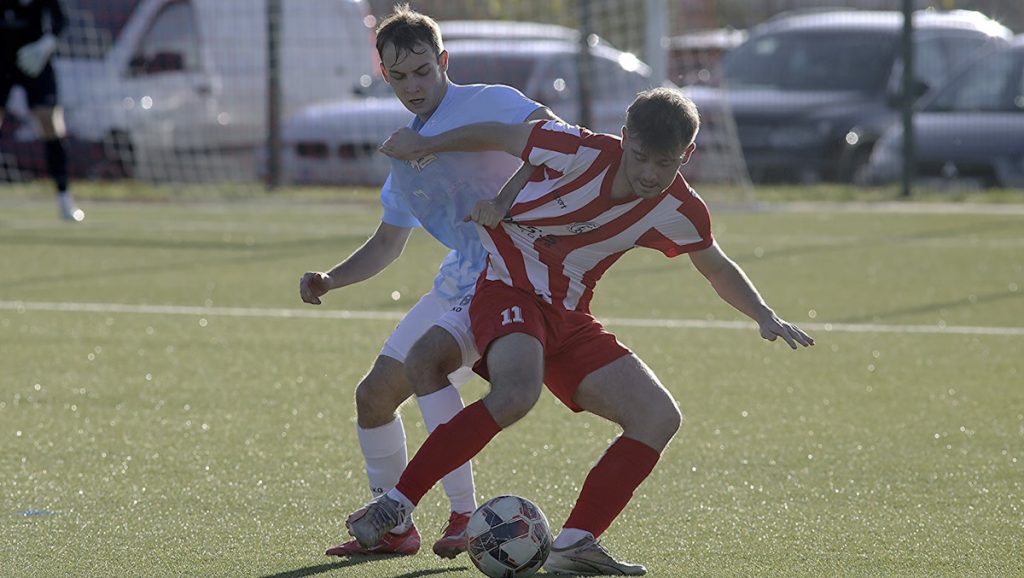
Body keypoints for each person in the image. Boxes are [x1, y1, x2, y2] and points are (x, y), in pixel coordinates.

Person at [347, 88, 815, 575]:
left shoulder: (680, 207)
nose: (651, 173)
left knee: (658, 416)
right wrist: (427, 144)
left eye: (666, 162)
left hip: (568, 317)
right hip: (507, 289)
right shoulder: (577, 148)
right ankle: (396, 503)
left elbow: (715, 267)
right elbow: (500, 134)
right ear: (623, 136)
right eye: (640, 156)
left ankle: (574, 543)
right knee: (516, 393)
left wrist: (762, 313)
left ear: (687, 155)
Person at [297, 4, 556, 559]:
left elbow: (551, 135)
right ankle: (395, 529)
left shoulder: (485, 100)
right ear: (383, 74)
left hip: (509, 278)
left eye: (422, 72)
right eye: (399, 76)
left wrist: (449, 155)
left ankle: (463, 512)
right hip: (457, 282)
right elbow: (389, 242)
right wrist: (331, 279)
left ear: (443, 61)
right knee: (373, 397)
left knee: (428, 367)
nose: (412, 86)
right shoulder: (402, 151)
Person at [1, 0, 82, 221]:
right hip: (1, 57)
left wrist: (45, 45)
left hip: (35, 57)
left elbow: (61, 20)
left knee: (50, 123)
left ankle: (64, 198)